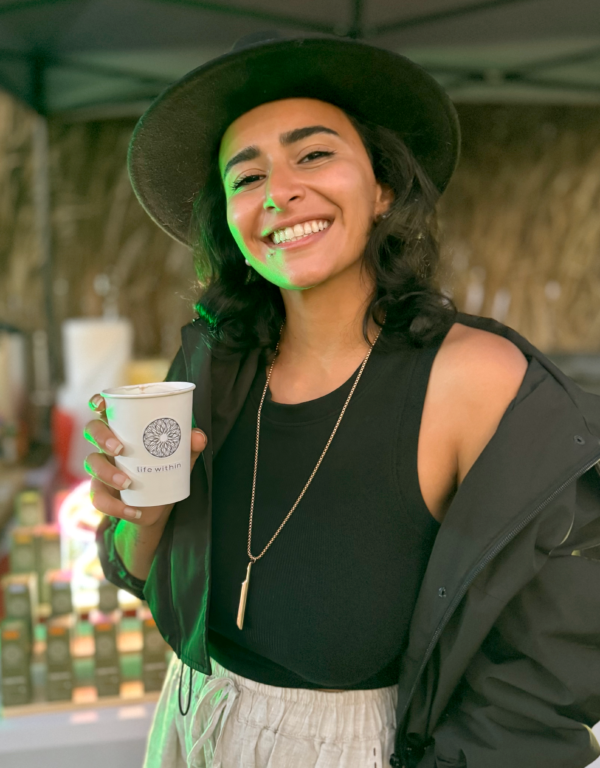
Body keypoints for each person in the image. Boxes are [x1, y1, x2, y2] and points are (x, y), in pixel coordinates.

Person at [85, 30, 600, 768]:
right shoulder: (211, 360)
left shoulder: (475, 378)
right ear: (231, 220)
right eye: (246, 176)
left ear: (383, 186)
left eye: (314, 154)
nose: (280, 191)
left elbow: (560, 642)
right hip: (193, 716)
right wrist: (137, 515)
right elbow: (139, 570)